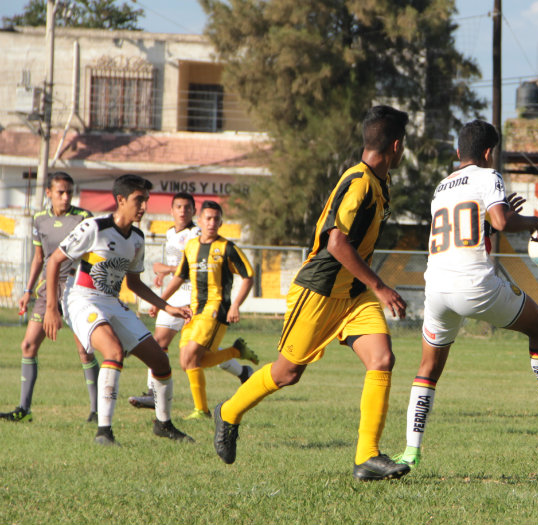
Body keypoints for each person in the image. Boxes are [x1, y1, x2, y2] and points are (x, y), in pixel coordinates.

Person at [213, 105, 411, 481]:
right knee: (287, 373)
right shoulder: (360, 182)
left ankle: (367, 456)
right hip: (319, 290)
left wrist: (369, 287)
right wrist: (380, 285)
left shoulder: (379, 183)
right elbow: (336, 242)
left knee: (382, 359)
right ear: (396, 146)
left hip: (353, 295)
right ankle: (229, 412)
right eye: (404, 146)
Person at [393, 120, 538, 470]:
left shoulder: (441, 188)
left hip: (438, 287)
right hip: (475, 285)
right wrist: (531, 222)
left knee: (428, 368)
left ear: (459, 152)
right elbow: (501, 223)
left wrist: (496, 216)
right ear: (489, 153)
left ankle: (410, 451)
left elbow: (468, 229)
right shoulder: (489, 177)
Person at [43, 174, 194, 446]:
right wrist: (51, 309)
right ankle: (104, 432)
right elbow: (54, 261)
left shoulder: (137, 238)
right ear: (120, 200)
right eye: (138, 200)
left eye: (146, 201)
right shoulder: (94, 227)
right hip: (81, 299)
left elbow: (134, 283)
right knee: (113, 351)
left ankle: (163, 423)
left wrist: (167, 306)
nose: (144, 207)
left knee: (160, 362)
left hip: (111, 302)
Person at [128, 193, 253, 410]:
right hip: (179, 297)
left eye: (187, 207)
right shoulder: (172, 234)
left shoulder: (199, 233)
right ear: (171, 211)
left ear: (195, 213)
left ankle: (175, 399)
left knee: (189, 352)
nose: (183, 211)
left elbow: (191, 269)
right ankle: (241, 369)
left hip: (194, 299)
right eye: (179, 207)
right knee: (178, 349)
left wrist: (163, 269)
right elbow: (182, 269)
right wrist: (162, 296)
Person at [0, 172, 100, 423]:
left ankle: (98, 411)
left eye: (69, 192)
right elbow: (38, 258)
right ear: (48, 193)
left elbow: (93, 256)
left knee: (84, 351)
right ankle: (24, 409)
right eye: (60, 192)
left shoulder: (84, 218)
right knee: (28, 345)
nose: (66, 197)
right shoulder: (39, 219)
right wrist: (27, 290)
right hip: (46, 291)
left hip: (76, 290)